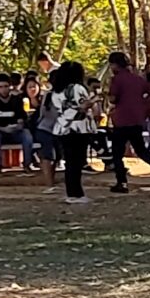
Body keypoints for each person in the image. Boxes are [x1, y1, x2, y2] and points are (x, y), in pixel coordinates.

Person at [102, 50, 150, 192]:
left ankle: (122, 182)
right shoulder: (138, 79)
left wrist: (108, 96)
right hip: (137, 119)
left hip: (122, 119)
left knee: (117, 153)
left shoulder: (117, 79)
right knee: (141, 150)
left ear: (114, 65)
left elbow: (113, 98)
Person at [39, 59, 98, 205]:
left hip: (62, 128)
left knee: (70, 162)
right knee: (76, 163)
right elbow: (82, 106)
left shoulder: (55, 91)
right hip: (77, 128)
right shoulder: (77, 88)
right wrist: (95, 98)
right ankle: (76, 193)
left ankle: (72, 192)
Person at [0, 73, 32, 176]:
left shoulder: (17, 100)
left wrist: (14, 128)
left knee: (27, 135)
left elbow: (21, 121)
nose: (3, 89)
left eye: (6, 86)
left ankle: (27, 165)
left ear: (10, 86)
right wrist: (4, 129)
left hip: (15, 132)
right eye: (0, 87)